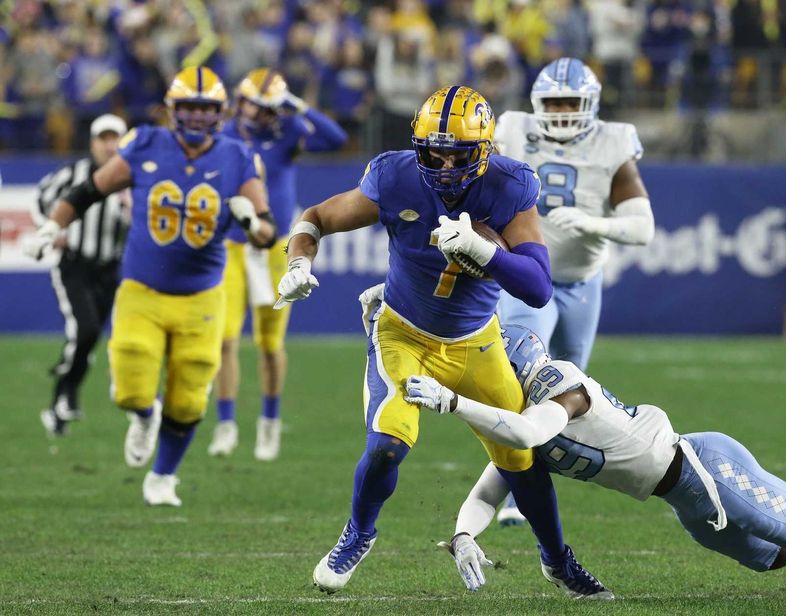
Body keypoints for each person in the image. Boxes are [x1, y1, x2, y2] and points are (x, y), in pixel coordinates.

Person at [275, 85, 609, 598]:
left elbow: (539, 288)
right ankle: (359, 533)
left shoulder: (509, 185)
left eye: (458, 153)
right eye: (434, 150)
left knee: (522, 454)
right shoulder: (396, 176)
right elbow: (316, 218)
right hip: (403, 334)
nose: (445, 163)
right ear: (418, 144)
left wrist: (484, 249)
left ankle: (556, 560)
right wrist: (298, 262)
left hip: (477, 342)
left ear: (485, 149)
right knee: (388, 444)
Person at [403, 323, 786, 595]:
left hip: (704, 470)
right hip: (679, 497)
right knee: (770, 558)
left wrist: (455, 402)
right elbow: (492, 487)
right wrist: (463, 536)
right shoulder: (516, 418)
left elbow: (527, 433)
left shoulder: (562, 389)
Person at [23, 67, 277, 506]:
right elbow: (89, 191)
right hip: (142, 289)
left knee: (191, 398)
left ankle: (163, 477)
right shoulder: (145, 144)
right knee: (131, 388)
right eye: (190, 108)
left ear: (220, 112)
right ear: (172, 109)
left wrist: (252, 222)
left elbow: (268, 230)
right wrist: (52, 225)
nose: (197, 118)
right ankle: (144, 416)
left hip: (202, 295)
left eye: (206, 109)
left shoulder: (236, 155)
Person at [493, 56, 653, 525]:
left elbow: (642, 227)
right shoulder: (513, 129)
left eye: (571, 101)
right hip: (528, 279)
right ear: (536, 104)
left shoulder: (613, 142)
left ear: (591, 105)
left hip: (583, 283)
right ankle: (512, 493)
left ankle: (527, 483)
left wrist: (593, 222)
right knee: (521, 382)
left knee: (562, 394)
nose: (561, 111)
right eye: (553, 102)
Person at [207, 68, 347, 461]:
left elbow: (335, 138)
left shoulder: (285, 132)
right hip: (232, 245)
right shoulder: (226, 135)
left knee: (270, 344)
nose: (251, 111)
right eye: (248, 101)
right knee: (226, 340)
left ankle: (268, 424)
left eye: (260, 105)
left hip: (275, 249)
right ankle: (226, 423)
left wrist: (298, 105)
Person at [33, 114, 130, 436]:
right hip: (75, 265)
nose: (109, 145)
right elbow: (41, 198)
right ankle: (67, 394)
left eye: (114, 138)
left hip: (110, 269)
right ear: (92, 143)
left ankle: (59, 404)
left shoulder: (133, 179)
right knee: (85, 330)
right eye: (103, 138)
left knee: (89, 340)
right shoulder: (74, 174)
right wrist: (51, 229)